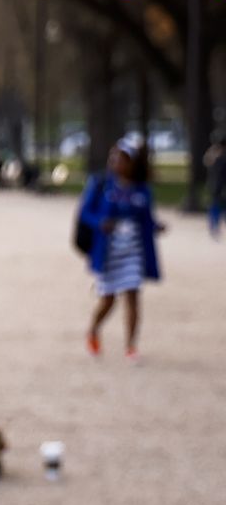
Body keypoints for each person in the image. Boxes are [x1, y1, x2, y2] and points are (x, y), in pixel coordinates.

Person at [77, 138, 164, 360]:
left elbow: (146, 218)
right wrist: (100, 222)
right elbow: (85, 213)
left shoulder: (142, 190)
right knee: (108, 299)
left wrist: (156, 226)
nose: (116, 162)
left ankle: (131, 346)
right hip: (109, 252)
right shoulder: (102, 184)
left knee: (133, 295)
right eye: (113, 157)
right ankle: (94, 330)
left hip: (133, 251)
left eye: (121, 159)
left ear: (132, 163)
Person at [204, 135, 226, 241]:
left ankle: (214, 226)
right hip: (218, 187)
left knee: (216, 206)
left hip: (216, 186)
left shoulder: (215, 157)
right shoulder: (219, 158)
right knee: (216, 207)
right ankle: (214, 226)